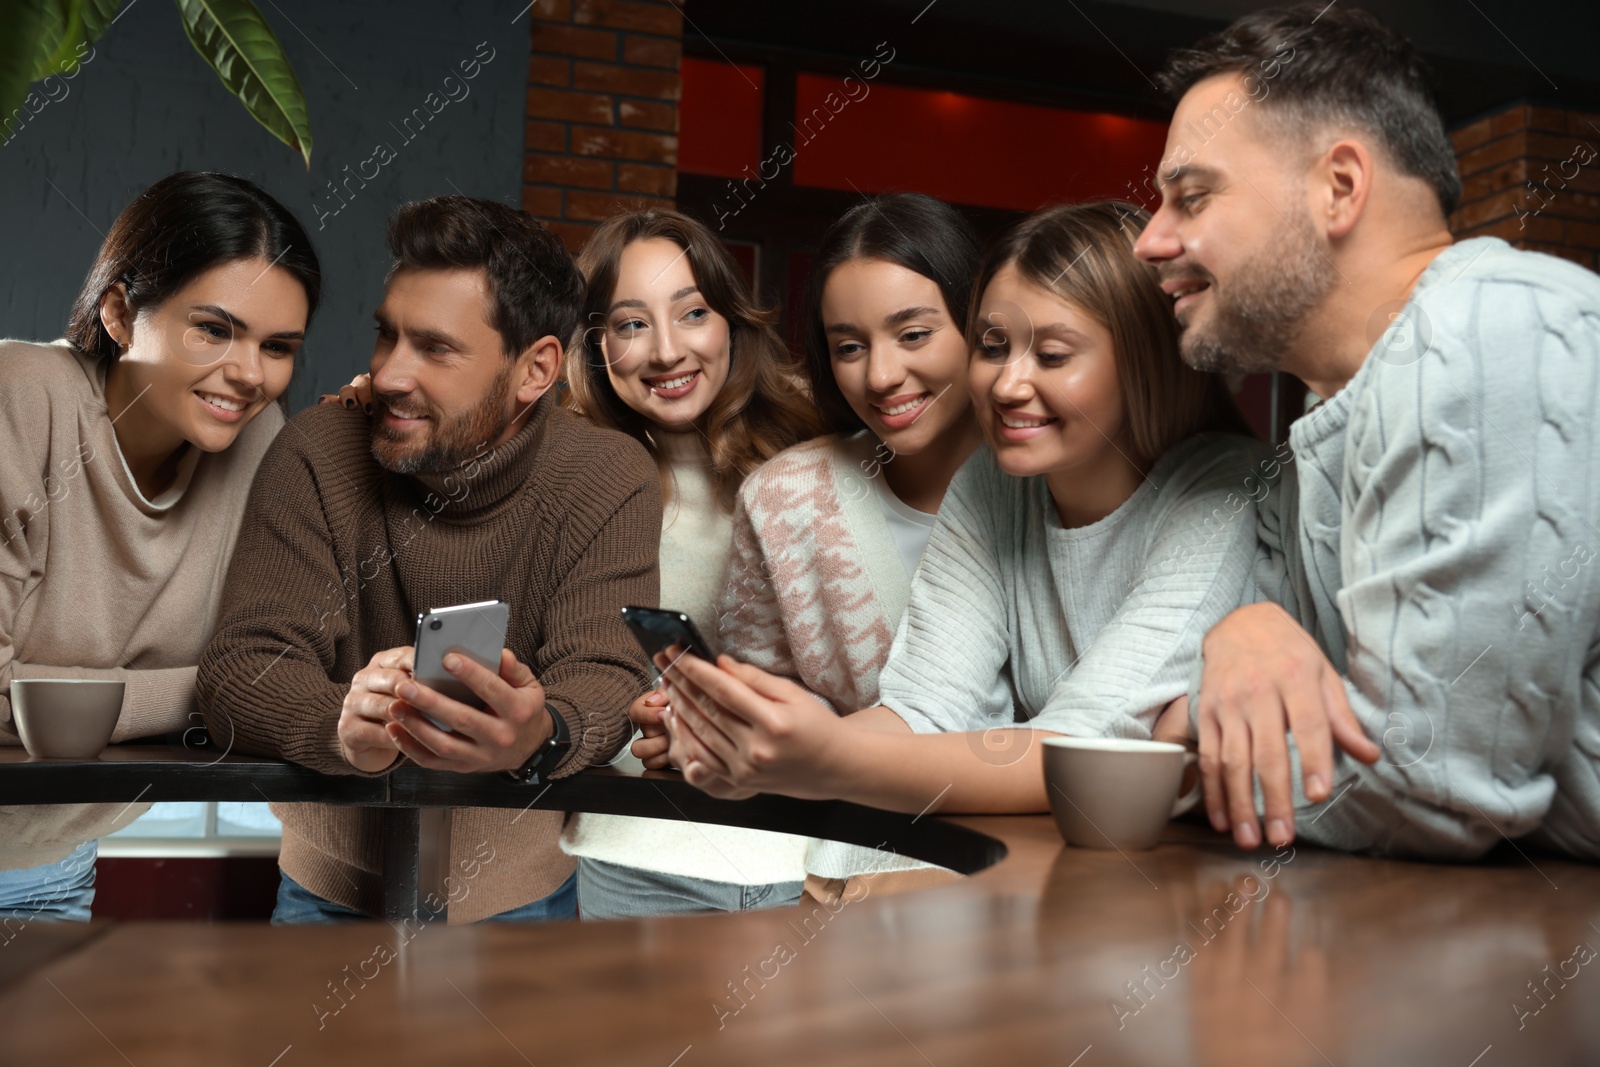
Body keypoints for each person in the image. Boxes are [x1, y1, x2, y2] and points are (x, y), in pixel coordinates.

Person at [1132, 4, 1600, 861]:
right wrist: (1240, 636)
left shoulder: (1482, 332)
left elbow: (1433, 785)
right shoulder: (1330, 420)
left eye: (1191, 196)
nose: (1150, 241)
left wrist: (1192, 739)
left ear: (1340, 186)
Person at [659, 201, 1265, 816]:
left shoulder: (1223, 490)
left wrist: (826, 760)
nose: (1006, 385)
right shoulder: (993, 483)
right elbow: (925, 706)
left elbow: (1086, 744)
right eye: (994, 346)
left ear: (1147, 358)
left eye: (1052, 356)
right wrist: (762, 746)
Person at [197, 195, 662, 924]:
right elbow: (240, 669)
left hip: (524, 900)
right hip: (327, 892)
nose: (386, 374)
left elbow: (602, 676)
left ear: (536, 368)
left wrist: (538, 732)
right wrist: (344, 725)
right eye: (387, 337)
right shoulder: (317, 450)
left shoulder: (608, 476)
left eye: (434, 348)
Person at [0, 171, 320, 921]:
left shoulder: (255, 442)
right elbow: (251, 685)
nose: (248, 373)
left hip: (51, 860)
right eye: (214, 328)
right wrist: (212, 689)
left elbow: (289, 670)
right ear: (118, 310)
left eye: (279, 347)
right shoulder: (22, 395)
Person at [706, 192, 984, 897]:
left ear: (983, 325)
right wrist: (712, 719)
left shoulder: (1054, 483)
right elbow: (763, 694)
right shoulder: (784, 497)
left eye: (914, 334)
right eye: (849, 347)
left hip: (1029, 873)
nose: (881, 375)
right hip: (845, 876)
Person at [556, 208, 825, 919]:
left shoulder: (821, 452)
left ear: (731, 321)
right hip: (637, 856)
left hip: (806, 857)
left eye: (693, 312)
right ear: (596, 345)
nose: (667, 351)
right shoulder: (570, 475)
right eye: (631, 324)